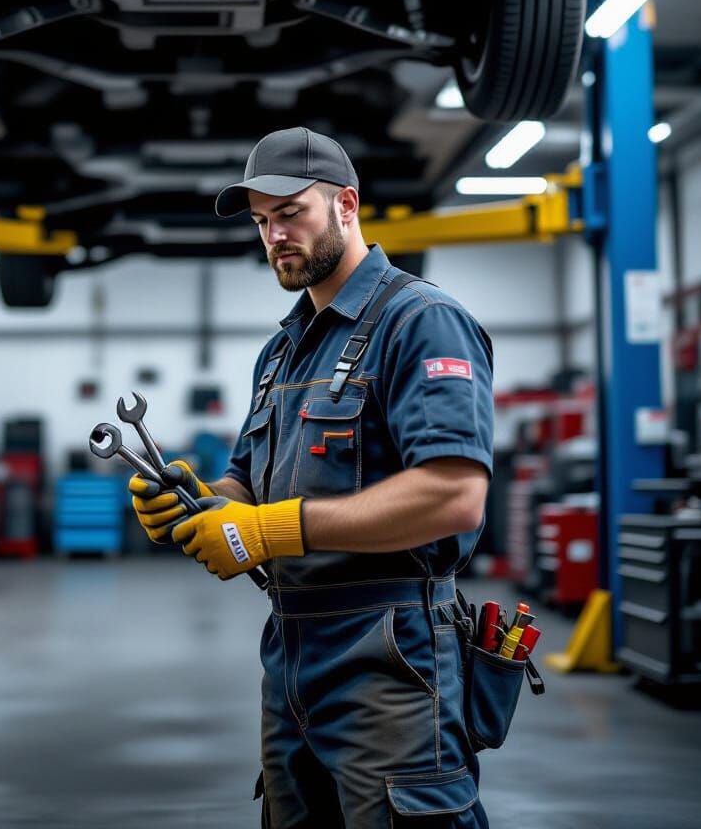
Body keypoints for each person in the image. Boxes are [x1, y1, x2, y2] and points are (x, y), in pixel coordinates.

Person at [128, 127, 494, 828]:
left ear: (347, 205)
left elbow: (454, 493)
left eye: (290, 211)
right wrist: (196, 503)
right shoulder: (282, 348)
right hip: (291, 654)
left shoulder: (422, 321)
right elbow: (245, 480)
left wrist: (274, 529)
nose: (274, 235)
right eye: (263, 222)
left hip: (394, 656)